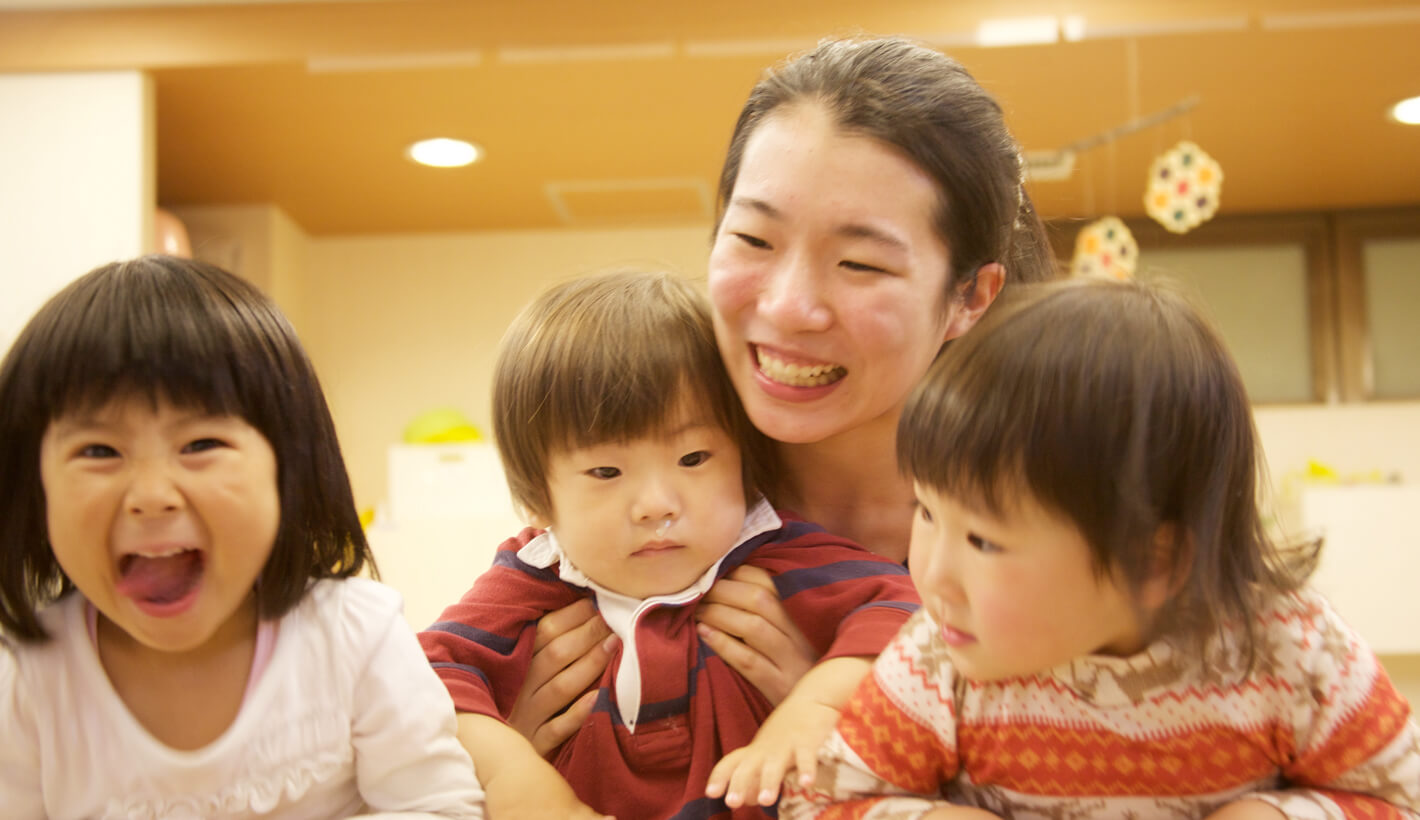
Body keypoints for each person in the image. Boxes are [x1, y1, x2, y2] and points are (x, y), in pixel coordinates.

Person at [507, 33, 1060, 786]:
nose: (789, 306)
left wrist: (838, 709)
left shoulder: (1057, 528)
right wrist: (504, 749)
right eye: (754, 239)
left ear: (969, 296)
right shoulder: (653, 492)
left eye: (859, 262)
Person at [779, 277, 1420, 819]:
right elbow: (823, 799)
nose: (933, 577)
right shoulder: (936, 658)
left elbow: (1398, 793)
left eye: (983, 540)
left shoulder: (1290, 647)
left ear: (1153, 562)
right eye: (925, 510)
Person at [418, 270, 920, 819]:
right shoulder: (534, 572)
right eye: (606, 470)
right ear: (540, 497)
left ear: (744, 460)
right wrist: (512, 774)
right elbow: (426, 677)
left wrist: (815, 705)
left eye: (693, 459)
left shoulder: (777, 551)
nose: (657, 504)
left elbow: (904, 611)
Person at [0, 255, 485, 819]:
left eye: (201, 444)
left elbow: (440, 806)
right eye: (99, 452)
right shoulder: (27, 679)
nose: (151, 494)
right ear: (34, 489)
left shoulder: (354, 635)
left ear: (287, 469)